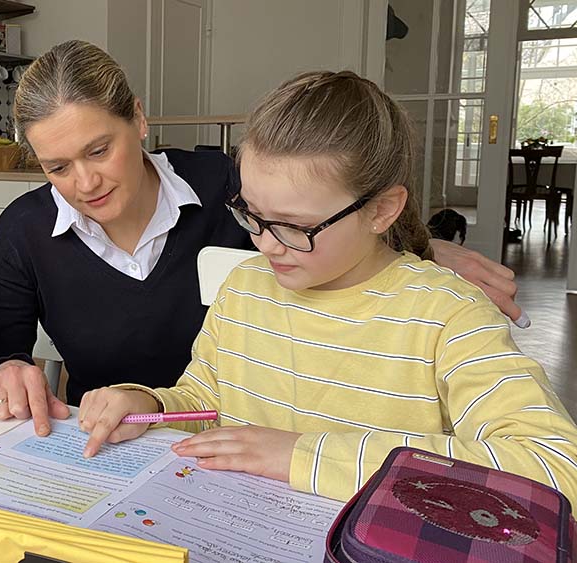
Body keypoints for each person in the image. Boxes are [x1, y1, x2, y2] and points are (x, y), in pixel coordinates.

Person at [0, 40, 525, 438]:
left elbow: (329, 202)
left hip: (256, 437)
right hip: (142, 431)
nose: (85, 183)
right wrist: (7, 369)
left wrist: (419, 247)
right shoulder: (25, 228)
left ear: (139, 120)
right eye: (56, 167)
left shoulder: (223, 182)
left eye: (98, 151)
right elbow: (2, 353)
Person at [77, 71, 577, 504]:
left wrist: (302, 454)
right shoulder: (246, 288)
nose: (266, 245)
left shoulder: (447, 313)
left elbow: (553, 469)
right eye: (250, 213)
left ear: (382, 210)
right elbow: (208, 404)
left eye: (295, 226)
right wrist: (150, 407)